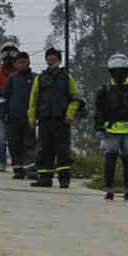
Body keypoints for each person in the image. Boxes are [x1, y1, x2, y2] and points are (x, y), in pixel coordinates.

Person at [94, 53, 128, 201]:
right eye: (116, 71)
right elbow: (99, 111)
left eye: (122, 70)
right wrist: (99, 128)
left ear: (127, 71)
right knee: (110, 161)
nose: (119, 74)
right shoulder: (103, 91)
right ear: (111, 72)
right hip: (110, 133)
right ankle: (109, 190)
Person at [27, 47, 81, 188]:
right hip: (44, 120)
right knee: (44, 150)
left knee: (62, 150)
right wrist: (32, 118)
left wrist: (70, 114)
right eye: (48, 59)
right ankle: (45, 178)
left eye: (53, 59)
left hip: (62, 120)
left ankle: (64, 179)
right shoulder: (40, 78)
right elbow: (33, 100)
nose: (51, 62)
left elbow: (75, 98)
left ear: (59, 60)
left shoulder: (67, 78)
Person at [0, 51, 37, 179]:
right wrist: (4, 114)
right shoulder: (12, 78)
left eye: (24, 62)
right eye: (19, 62)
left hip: (29, 117)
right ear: (16, 64)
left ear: (28, 62)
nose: (21, 64)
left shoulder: (35, 78)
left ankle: (31, 170)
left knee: (29, 144)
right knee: (14, 144)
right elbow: (5, 97)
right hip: (13, 117)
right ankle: (18, 170)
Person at [0, 42, 20, 171]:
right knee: (1, 139)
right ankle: (2, 163)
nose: (9, 56)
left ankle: (16, 163)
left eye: (12, 52)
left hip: (16, 109)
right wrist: (0, 90)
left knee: (15, 139)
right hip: (1, 109)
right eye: (6, 53)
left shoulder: (19, 73)